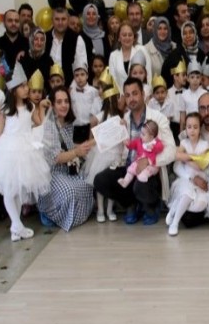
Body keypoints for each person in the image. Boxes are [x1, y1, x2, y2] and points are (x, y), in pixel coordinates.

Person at [94, 78, 176, 225]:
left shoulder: (158, 118)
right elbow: (119, 149)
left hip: (151, 172)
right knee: (100, 180)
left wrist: (149, 161)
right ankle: (131, 204)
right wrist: (116, 133)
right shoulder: (123, 119)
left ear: (143, 94)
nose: (131, 98)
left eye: (135, 93)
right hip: (129, 168)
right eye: (127, 95)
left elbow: (171, 151)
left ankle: (151, 206)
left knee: (141, 182)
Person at [0, 63, 51, 241]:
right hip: (8, 151)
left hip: (25, 149)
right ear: (13, 90)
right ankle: (17, 224)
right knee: (9, 190)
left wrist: (41, 107)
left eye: (26, 85)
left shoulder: (30, 107)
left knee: (20, 189)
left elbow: (39, 123)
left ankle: (16, 229)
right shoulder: (6, 110)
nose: (26, 88)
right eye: (22, 86)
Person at [38, 86, 95, 231]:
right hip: (52, 173)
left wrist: (90, 143)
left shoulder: (69, 123)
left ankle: (73, 216)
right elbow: (56, 158)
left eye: (66, 101)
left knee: (88, 185)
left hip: (68, 170)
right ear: (52, 105)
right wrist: (76, 152)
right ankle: (48, 211)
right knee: (70, 191)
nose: (64, 105)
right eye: (59, 102)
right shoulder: (49, 125)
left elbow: (71, 146)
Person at [166, 113, 209, 236]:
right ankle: (175, 222)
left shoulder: (205, 145)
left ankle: (177, 206)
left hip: (201, 177)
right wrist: (194, 158)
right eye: (189, 127)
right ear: (185, 128)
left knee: (200, 204)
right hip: (186, 178)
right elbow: (177, 157)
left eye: (195, 127)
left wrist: (187, 159)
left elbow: (200, 166)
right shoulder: (184, 143)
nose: (192, 130)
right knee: (187, 193)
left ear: (200, 128)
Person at [85, 83, 125, 222]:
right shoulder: (102, 115)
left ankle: (109, 209)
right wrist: (93, 136)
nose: (114, 101)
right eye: (112, 99)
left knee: (112, 181)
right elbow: (92, 122)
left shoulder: (120, 115)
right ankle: (101, 210)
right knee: (100, 182)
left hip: (117, 152)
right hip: (103, 153)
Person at [45, 7, 93, 84]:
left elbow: (81, 66)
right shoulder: (45, 37)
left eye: (63, 19)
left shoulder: (77, 39)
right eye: (57, 19)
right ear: (52, 20)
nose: (60, 22)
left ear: (68, 20)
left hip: (69, 86)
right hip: (47, 86)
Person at [108, 21, 152, 93]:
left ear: (134, 37)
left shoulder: (142, 50)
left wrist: (146, 95)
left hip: (142, 95)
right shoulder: (113, 56)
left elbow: (149, 75)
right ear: (119, 38)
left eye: (130, 35)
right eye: (124, 35)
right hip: (121, 97)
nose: (127, 38)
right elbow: (113, 80)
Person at [161, 20, 206, 88]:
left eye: (191, 32)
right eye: (185, 33)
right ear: (182, 36)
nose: (188, 36)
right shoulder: (174, 55)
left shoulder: (201, 54)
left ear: (195, 34)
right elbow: (165, 75)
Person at [19, 28, 53, 92]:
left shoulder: (48, 60)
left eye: (42, 40)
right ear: (31, 40)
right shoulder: (23, 58)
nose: (39, 43)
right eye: (36, 39)